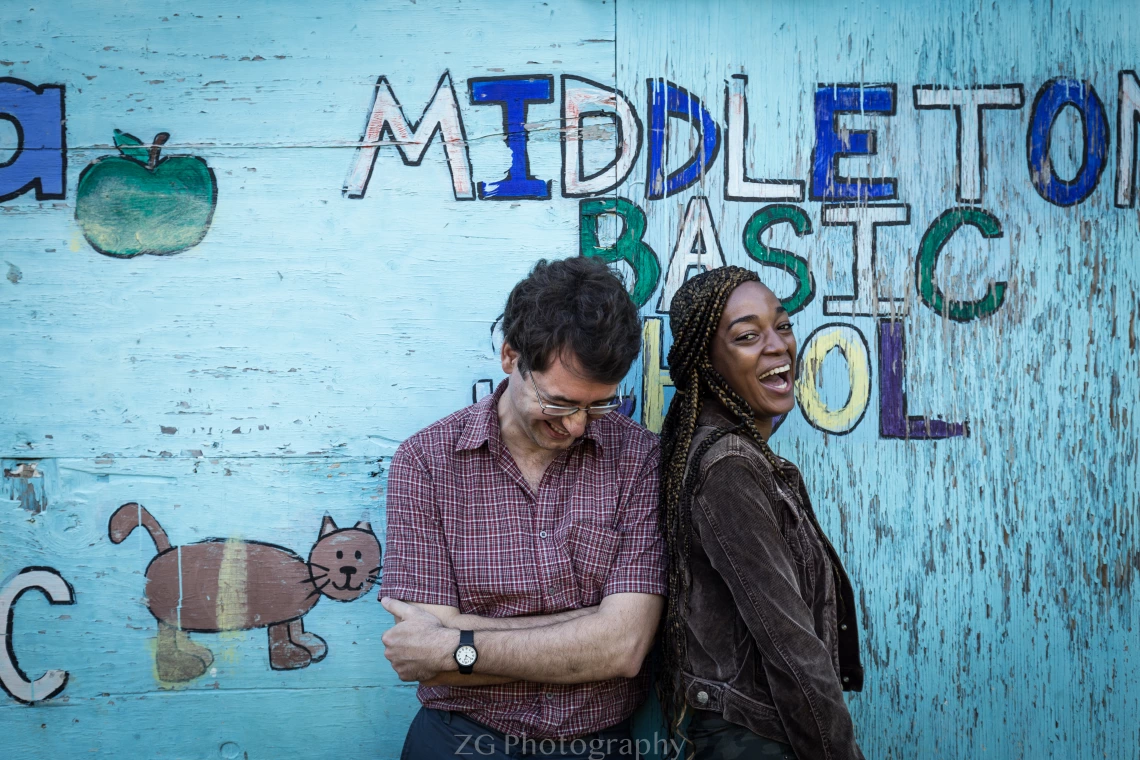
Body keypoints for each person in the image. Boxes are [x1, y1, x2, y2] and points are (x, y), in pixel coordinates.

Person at [378, 256, 666, 760]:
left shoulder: (639, 461)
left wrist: (455, 644)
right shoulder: (425, 463)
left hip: (597, 745)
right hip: (460, 738)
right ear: (511, 356)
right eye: (559, 403)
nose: (577, 425)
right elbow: (418, 656)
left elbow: (622, 648)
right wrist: (585, 628)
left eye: (598, 405)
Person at [657, 265, 865, 759]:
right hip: (755, 741)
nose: (778, 345)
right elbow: (789, 646)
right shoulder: (729, 467)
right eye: (748, 335)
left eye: (783, 325)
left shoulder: (743, 457)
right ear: (707, 364)